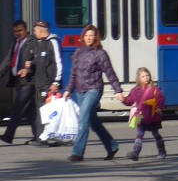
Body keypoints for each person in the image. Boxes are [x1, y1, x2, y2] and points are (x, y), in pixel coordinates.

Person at [63, 24, 122, 162]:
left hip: (94, 89)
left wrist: (118, 90)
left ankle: (77, 153)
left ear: (96, 37)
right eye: (86, 35)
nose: (89, 38)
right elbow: (73, 74)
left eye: (91, 35)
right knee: (92, 121)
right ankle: (112, 146)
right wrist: (68, 89)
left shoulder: (100, 53)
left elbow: (110, 72)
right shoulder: (78, 52)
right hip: (80, 91)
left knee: (83, 119)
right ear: (83, 37)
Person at [1, 20, 43, 145]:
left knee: (17, 108)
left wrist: (28, 69)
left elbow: (37, 60)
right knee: (30, 111)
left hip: (29, 81)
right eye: (15, 31)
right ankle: (39, 136)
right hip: (19, 81)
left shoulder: (32, 42)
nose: (18, 33)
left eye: (20, 30)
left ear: (26, 30)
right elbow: (8, 60)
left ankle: (8, 135)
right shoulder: (15, 42)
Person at [115, 67, 167, 161]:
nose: (146, 77)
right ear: (138, 78)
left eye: (147, 75)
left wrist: (159, 107)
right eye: (143, 76)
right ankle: (135, 153)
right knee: (139, 135)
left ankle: (162, 151)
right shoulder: (135, 90)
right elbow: (130, 101)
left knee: (156, 134)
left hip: (153, 116)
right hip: (141, 117)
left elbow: (161, 98)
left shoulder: (154, 89)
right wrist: (123, 100)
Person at [25, 19, 64, 107]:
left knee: (45, 110)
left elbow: (59, 63)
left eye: (35, 30)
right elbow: (40, 61)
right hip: (39, 85)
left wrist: (56, 82)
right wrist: (31, 63)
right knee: (40, 110)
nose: (34, 33)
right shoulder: (39, 43)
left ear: (40, 31)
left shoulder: (53, 42)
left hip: (49, 85)